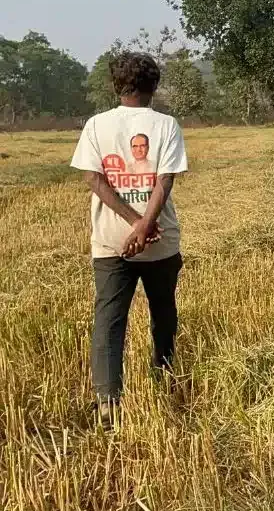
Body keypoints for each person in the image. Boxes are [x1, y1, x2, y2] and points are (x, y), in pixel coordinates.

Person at [69, 51, 188, 429]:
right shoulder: (166, 125)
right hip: (160, 240)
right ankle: (164, 376)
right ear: (154, 86)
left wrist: (131, 224)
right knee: (163, 312)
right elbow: (164, 180)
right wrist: (144, 226)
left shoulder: (96, 125)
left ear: (116, 85)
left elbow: (94, 179)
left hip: (108, 241)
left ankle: (107, 401)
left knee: (108, 321)